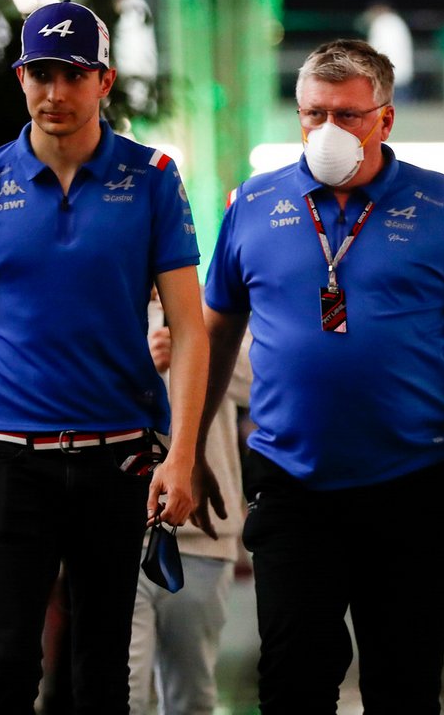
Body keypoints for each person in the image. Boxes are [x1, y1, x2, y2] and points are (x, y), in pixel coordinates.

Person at [197, 38, 444, 714]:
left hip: (413, 483)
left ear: (385, 119)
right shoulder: (252, 205)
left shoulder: (442, 207)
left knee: (403, 688)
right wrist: (191, 443)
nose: (329, 131)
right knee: (291, 683)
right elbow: (217, 331)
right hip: (293, 484)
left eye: (348, 115)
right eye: (314, 114)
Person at [0, 0, 208, 713]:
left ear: (104, 81)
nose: (56, 92)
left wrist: (181, 456)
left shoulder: (152, 178)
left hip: (119, 461)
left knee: (101, 672)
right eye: (41, 73)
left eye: (73, 75)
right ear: (21, 77)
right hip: (11, 462)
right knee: (9, 668)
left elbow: (192, 328)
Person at [129, 290, 250, 715]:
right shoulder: (105, 302)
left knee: (192, 696)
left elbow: (259, 384)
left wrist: (195, 342)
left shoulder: (212, 304)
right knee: (123, 694)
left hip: (200, 534)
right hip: (121, 530)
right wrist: (142, 364)